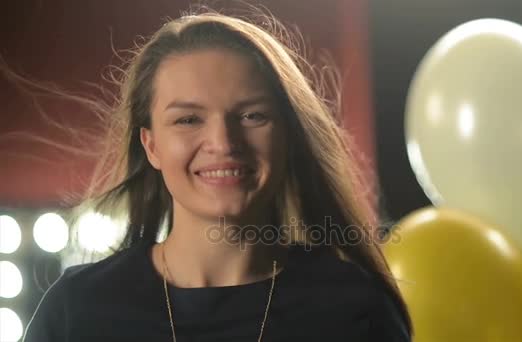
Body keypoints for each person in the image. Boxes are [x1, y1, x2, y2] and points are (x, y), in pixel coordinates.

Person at [22, 7, 412, 342]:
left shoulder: (356, 308)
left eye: (251, 115)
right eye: (188, 119)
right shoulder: (76, 310)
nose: (223, 142)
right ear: (151, 146)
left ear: (287, 136)